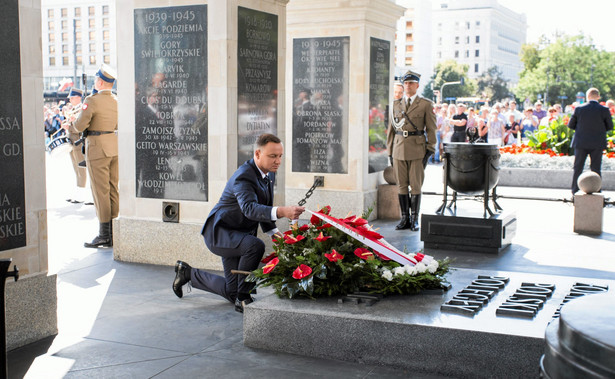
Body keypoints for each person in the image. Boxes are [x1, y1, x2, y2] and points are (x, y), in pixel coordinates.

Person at [172, 134, 305, 312]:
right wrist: (282, 211)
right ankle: (244, 297)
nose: (278, 161)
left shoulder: (268, 173)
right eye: (273, 156)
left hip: (238, 235)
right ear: (257, 154)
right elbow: (249, 208)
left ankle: (188, 273)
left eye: (280, 156)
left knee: (231, 291)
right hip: (220, 233)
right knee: (255, 246)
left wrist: (272, 231)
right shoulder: (243, 176)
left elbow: (264, 204)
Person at [69, 64, 119, 248]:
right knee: (113, 189)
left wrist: (72, 125)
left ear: (99, 81)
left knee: (100, 192)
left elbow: (80, 126)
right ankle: (115, 232)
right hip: (114, 146)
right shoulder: (116, 100)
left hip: (97, 148)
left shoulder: (93, 100)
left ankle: (104, 234)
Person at [386, 70, 437, 231]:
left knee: (415, 186)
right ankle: (404, 219)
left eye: (411, 83)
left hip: (417, 149)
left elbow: (431, 129)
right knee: (401, 185)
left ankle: (414, 219)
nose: (408, 86)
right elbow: (391, 130)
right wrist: (390, 151)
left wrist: (430, 149)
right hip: (399, 149)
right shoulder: (395, 104)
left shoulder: (425, 104)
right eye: (405, 83)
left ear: (417, 85)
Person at [567, 88, 614, 195]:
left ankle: (575, 190)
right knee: (596, 168)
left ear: (587, 97)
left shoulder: (579, 109)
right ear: (598, 97)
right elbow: (610, 126)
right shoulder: (604, 110)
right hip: (597, 143)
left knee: (578, 167)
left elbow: (571, 125)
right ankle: (597, 190)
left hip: (581, 142)